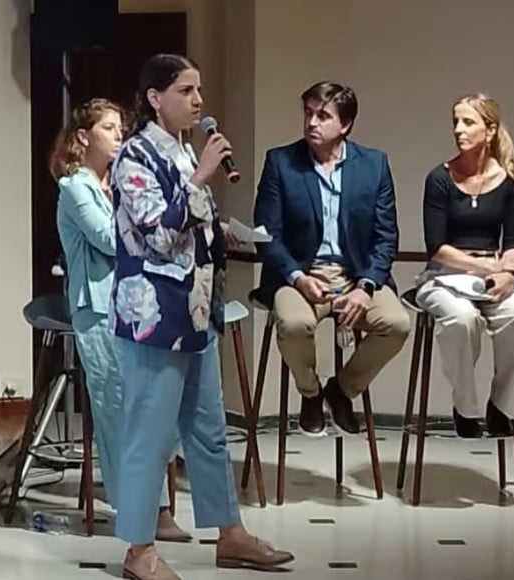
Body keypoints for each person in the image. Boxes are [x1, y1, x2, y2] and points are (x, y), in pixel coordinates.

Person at [110, 54, 294, 580]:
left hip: (195, 311)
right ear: (154, 98)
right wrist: (201, 177)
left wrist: (226, 230)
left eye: (199, 90)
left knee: (209, 429)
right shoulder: (134, 156)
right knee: (150, 434)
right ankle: (138, 550)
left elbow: (191, 228)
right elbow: (158, 234)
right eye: (186, 91)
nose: (198, 101)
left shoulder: (185, 150)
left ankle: (229, 533)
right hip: (154, 316)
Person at [51, 98, 191, 542]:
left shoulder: (119, 183)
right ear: (83, 136)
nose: (119, 136)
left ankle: (153, 504)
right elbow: (110, 239)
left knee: (152, 404)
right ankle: (144, 510)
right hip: (98, 309)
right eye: (108, 128)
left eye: (120, 129)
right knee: (118, 409)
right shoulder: (75, 187)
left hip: (137, 304)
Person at [252, 81, 411, 438]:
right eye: (308, 113)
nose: (311, 122)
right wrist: (297, 277)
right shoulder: (281, 162)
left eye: (323, 116)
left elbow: (386, 237)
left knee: (397, 323)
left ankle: (340, 391)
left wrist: (365, 287)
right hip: (300, 273)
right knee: (294, 324)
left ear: (345, 125)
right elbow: (266, 234)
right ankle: (310, 394)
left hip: (356, 276)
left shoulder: (374, 165)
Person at [415, 92, 514, 439]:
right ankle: (465, 408)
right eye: (455, 122)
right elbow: (437, 248)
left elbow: (512, 241)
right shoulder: (439, 178)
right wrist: (487, 269)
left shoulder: (510, 181)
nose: (458, 129)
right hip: (445, 276)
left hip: (492, 275)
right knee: (462, 319)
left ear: (490, 130)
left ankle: (501, 406)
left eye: (468, 122)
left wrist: (509, 274)